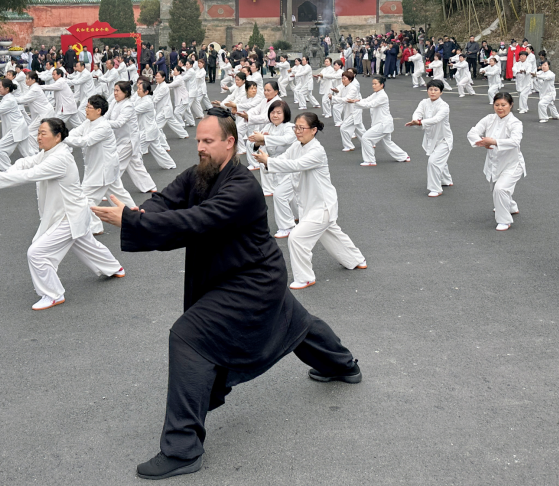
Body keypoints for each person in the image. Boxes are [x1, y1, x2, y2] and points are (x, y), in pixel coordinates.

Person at [90, 110, 362, 480]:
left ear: (229, 143)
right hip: (238, 274)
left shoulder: (242, 188)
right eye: (198, 140)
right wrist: (142, 210)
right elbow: (167, 200)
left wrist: (133, 222)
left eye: (208, 141)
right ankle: (343, 364)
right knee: (297, 323)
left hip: (253, 281)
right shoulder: (200, 175)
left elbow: (196, 222)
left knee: (188, 336)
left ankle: (183, 448)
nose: (200, 147)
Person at [0, 118, 125, 310]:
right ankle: (115, 268)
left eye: (43, 133)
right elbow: (25, 163)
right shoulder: (49, 153)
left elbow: (30, 174)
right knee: (86, 244)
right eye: (38, 133)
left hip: (70, 216)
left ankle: (53, 294)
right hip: (71, 212)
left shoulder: (59, 159)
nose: (38, 137)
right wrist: (5, 171)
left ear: (57, 137)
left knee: (37, 253)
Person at [256, 111, 367, 289]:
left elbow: (296, 165)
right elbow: (285, 159)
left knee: (297, 238)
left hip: (322, 206)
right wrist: (267, 160)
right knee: (332, 233)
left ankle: (305, 277)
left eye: (301, 128)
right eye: (296, 127)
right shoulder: (297, 146)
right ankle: (356, 259)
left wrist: (269, 161)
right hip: (310, 204)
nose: (297, 131)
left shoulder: (317, 151)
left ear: (313, 130)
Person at [65, 94, 137, 235]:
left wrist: (62, 139)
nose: (86, 109)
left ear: (99, 110)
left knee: (84, 197)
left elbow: (86, 141)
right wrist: (66, 136)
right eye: (86, 106)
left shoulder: (103, 126)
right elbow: (76, 132)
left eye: (89, 107)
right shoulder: (89, 122)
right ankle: (136, 217)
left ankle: (95, 226)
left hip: (103, 168)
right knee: (119, 194)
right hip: (102, 166)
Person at [467, 92, 525, 231]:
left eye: (503, 105)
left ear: (511, 105)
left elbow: (515, 141)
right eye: (497, 105)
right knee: (497, 189)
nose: (500, 108)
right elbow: (472, 132)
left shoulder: (515, 123)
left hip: (512, 164)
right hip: (493, 162)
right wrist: (481, 142)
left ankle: (504, 221)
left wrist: (494, 141)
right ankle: (511, 206)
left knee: (500, 189)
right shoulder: (489, 119)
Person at [247, 100, 297, 235]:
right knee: (291, 195)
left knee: (281, 194)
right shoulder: (268, 127)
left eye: (278, 113)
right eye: (272, 113)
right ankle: (297, 216)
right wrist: (258, 142)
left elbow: (286, 140)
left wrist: (265, 138)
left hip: (290, 166)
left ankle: (287, 227)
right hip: (275, 165)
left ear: (285, 114)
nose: (275, 115)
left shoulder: (290, 127)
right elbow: (255, 144)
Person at [107, 81, 158, 193]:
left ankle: (108, 189)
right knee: (135, 165)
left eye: (117, 91)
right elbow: (106, 116)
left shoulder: (128, 105)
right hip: (120, 139)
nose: (115, 93)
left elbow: (119, 123)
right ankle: (149, 186)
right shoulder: (114, 103)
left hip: (128, 141)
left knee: (115, 165)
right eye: (114, 90)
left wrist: (102, 123)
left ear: (125, 93)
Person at [406, 79, 453, 197]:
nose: (432, 92)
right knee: (440, 159)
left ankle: (436, 189)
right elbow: (418, 112)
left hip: (444, 139)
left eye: (436, 90)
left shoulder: (444, 106)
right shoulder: (424, 102)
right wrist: (415, 119)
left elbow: (436, 119)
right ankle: (446, 180)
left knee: (433, 161)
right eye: (430, 89)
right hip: (431, 138)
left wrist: (420, 123)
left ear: (441, 92)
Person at [348, 77, 410, 166]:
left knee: (366, 138)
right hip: (382, 123)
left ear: (382, 85)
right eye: (372, 84)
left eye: (375, 84)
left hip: (383, 123)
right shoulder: (376, 94)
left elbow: (370, 104)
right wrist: (356, 100)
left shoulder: (382, 96)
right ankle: (404, 156)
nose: (373, 86)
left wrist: (355, 103)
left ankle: (370, 160)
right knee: (387, 143)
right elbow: (367, 100)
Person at [0, 78, 33, 170]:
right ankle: (41, 165)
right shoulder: (7, 98)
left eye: (0, 87)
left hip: (16, 128)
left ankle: (8, 171)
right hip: (19, 127)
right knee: (28, 153)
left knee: (0, 149)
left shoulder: (9, 100)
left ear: (7, 89)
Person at [135, 80, 176, 170]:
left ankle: (137, 169)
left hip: (147, 131)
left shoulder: (147, 102)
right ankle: (170, 164)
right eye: (137, 88)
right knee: (158, 150)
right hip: (150, 130)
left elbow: (133, 111)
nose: (137, 90)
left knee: (136, 152)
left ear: (146, 92)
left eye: (139, 89)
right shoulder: (142, 99)